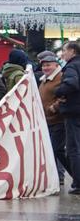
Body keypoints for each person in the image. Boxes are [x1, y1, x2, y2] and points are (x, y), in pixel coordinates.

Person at [36, 52, 68, 187]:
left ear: (56, 65)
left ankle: (67, 175)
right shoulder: (44, 79)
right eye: (43, 66)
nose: (45, 68)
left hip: (58, 120)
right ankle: (55, 177)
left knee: (56, 150)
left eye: (48, 65)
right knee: (52, 150)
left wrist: (54, 108)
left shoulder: (61, 77)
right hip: (47, 121)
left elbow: (65, 95)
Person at [55, 39, 80, 195]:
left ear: (73, 52)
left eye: (64, 50)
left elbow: (71, 84)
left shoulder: (71, 66)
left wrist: (58, 91)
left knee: (73, 149)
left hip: (73, 112)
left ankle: (78, 183)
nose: (62, 53)